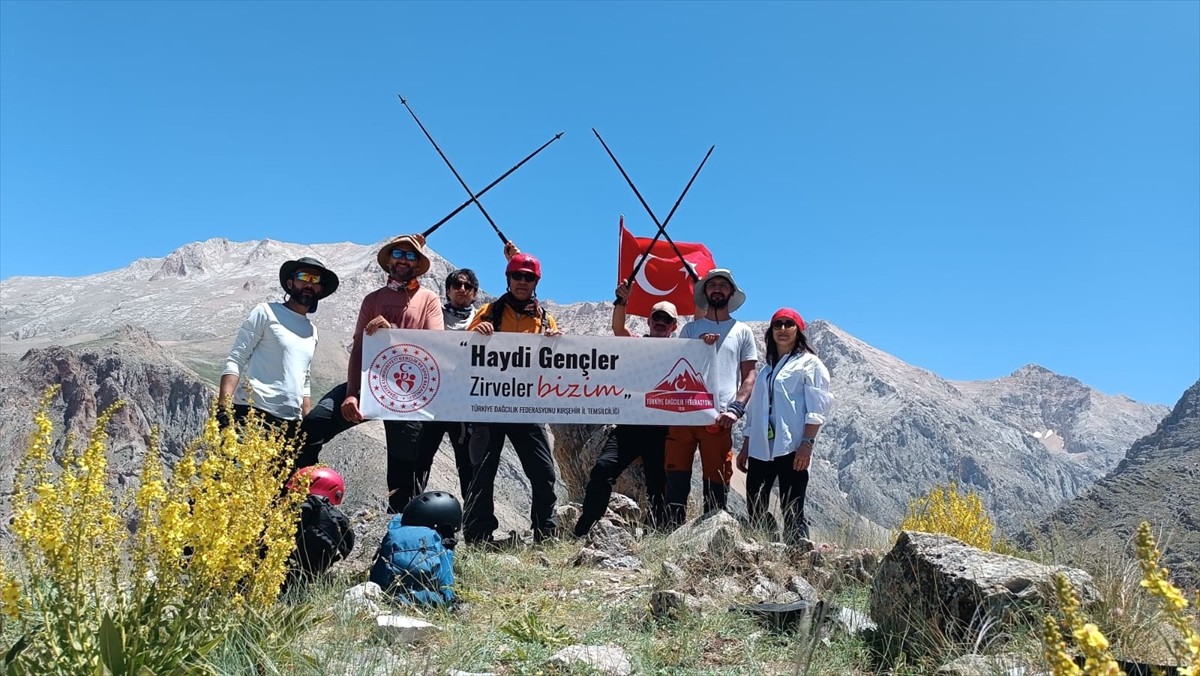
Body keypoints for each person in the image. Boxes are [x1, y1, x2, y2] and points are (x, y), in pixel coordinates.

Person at [298, 234, 444, 514]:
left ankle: (401, 528)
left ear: (417, 264)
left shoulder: (428, 299)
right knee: (314, 424)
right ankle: (303, 499)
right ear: (388, 261)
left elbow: (435, 347)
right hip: (368, 385)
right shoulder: (372, 299)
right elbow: (359, 349)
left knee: (404, 470)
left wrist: (393, 335)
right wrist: (352, 394)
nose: (403, 260)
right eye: (398, 255)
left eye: (410, 256)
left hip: (407, 394)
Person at [462, 250, 562, 544]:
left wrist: (558, 344)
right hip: (488, 404)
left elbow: (557, 365)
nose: (522, 281)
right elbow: (460, 351)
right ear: (508, 279)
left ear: (536, 282)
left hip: (527, 406)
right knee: (482, 472)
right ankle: (479, 536)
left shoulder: (546, 320)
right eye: (517, 276)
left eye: (528, 277)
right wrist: (474, 333)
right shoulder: (488, 312)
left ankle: (546, 532)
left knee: (543, 471)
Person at [574, 280, 678, 536]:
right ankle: (587, 527)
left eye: (667, 319)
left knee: (658, 482)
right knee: (602, 469)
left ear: (674, 326)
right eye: (657, 317)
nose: (661, 322)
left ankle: (660, 533)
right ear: (649, 321)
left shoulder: (682, 352)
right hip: (629, 427)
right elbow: (618, 328)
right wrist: (622, 301)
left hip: (660, 430)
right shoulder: (634, 344)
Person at [663, 268, 758, 527]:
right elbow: (676, 365)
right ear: (705, 292)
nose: (717, 289)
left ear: (731, 292)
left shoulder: (742, 331)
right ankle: (671, 533)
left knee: (717, 478)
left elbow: (749, 375)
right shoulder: (690, 329)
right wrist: (697, 346)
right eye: (712, 285)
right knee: (676, 474)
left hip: (719, 418)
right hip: (684, 416)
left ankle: (714, 533)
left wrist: (736, 409)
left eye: (723, 285)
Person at [737, 308, 831, 542]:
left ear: (798, 330)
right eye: (777, 324)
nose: (782, 329)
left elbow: (817, 408)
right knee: (755, 501)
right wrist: (747, 445)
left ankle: (797, 552)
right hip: (761, 447)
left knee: (792, 505)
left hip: (792, 445)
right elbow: (756, 410)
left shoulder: (810, 364)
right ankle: (765, 547)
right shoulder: (767, 370)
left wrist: (807, 444)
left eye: (789, 324)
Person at [219, 256, 339, 431]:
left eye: (315, 280)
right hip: (251, 414)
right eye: (304, 277)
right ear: (290, 283)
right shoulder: (266, 312)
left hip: (289, 424)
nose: (309, 284)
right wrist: (223, 409)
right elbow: (237, 358)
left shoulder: (312, 332)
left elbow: (304, 379)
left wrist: (306, 424)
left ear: (320, 289)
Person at [407, 268, 483, 503]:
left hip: (463, 404)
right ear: (448, 290)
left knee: (466, 463)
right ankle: (409, 514)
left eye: (467, 286)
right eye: (457, 285)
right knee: (419, 459)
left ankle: (472, 523)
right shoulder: (432, 314)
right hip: (430, 400)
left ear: (474, 293)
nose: (462, 289)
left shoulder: (483, 319)